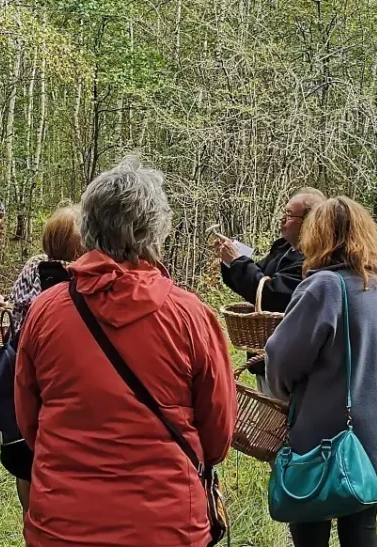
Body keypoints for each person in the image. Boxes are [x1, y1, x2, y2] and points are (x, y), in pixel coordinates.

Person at [15, 157, 237, 547]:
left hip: (63, 525)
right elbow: (218, 435)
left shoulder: (45, 311)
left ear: (88, 226)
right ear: (156, 229)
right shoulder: (190, 315)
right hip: (167, 526)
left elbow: (29, 422)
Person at [265, 197, 377, 547]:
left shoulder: (324, 287)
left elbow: (282, 360)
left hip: (325, 443)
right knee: (361, 533)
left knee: (310, 530)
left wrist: (282, 394)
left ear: (318, 235)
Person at [3, 205, 83, 512]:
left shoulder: (33, 267)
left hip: (26, 381)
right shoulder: (80, 278)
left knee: (27, 461)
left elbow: (16, 320)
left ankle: (30, 522)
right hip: (62, 386)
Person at [214, 187, 325, 393]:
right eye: (284, 213)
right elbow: (252, 284)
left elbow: (271, 295)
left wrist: (238, 261)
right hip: (265, 355)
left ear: (309, 221)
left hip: (287, 359)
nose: (282, 219)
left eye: (290, 215)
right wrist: (230, 261)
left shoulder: (310, 261)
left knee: (281, 420)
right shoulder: (283, 249)